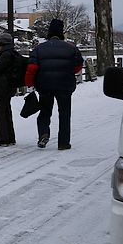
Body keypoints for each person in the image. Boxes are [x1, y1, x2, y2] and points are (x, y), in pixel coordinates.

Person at [25, 19, 84, 150]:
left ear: (49, 32)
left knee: (45, 111)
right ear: (62, 32)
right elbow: (78, 66)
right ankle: (63, 143)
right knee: (64, 113)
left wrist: (30, 83)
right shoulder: (71, 48)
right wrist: (67, 71)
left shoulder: (39, 49)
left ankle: (43, 133)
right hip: (65, 85)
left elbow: (32, 68)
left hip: (45, 85)